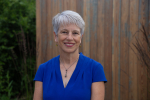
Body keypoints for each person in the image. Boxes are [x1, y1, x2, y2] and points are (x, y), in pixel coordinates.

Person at [33, 10, 107, 100]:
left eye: (75, 33)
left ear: (80, 38)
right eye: (64, 32)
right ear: (56, 36)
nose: (70, 38)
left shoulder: (95, 69)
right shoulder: (43, 70)